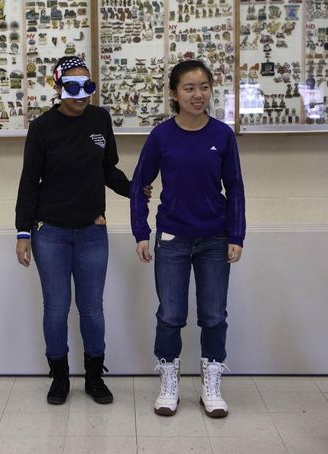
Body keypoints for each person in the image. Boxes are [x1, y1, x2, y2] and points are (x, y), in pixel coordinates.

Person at [15, 56, 149, 405]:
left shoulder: (100, 119)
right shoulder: (42, 127)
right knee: (56, 308)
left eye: (87, 86)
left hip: (92, 229)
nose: (81, 94)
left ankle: (93, 377)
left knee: (92, 307)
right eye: (72, 87)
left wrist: (134, 188)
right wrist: (23, 232)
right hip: (50, 231)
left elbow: (109, 169)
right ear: (57, 88)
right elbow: (30, 182)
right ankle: (59, 377)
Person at [130, 59, 246, 418]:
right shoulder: (161, 136)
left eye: (204, 87)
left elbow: (236, 188)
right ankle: (169, 383)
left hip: (214, 238)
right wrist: (141, 232)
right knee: (171, 315)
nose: (198, 95)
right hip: (172, 239)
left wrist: (237, 234)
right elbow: (139, 185)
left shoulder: (222, 135)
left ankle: (211, 386)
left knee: (213, 316)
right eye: (189, 88)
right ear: (174, 94)